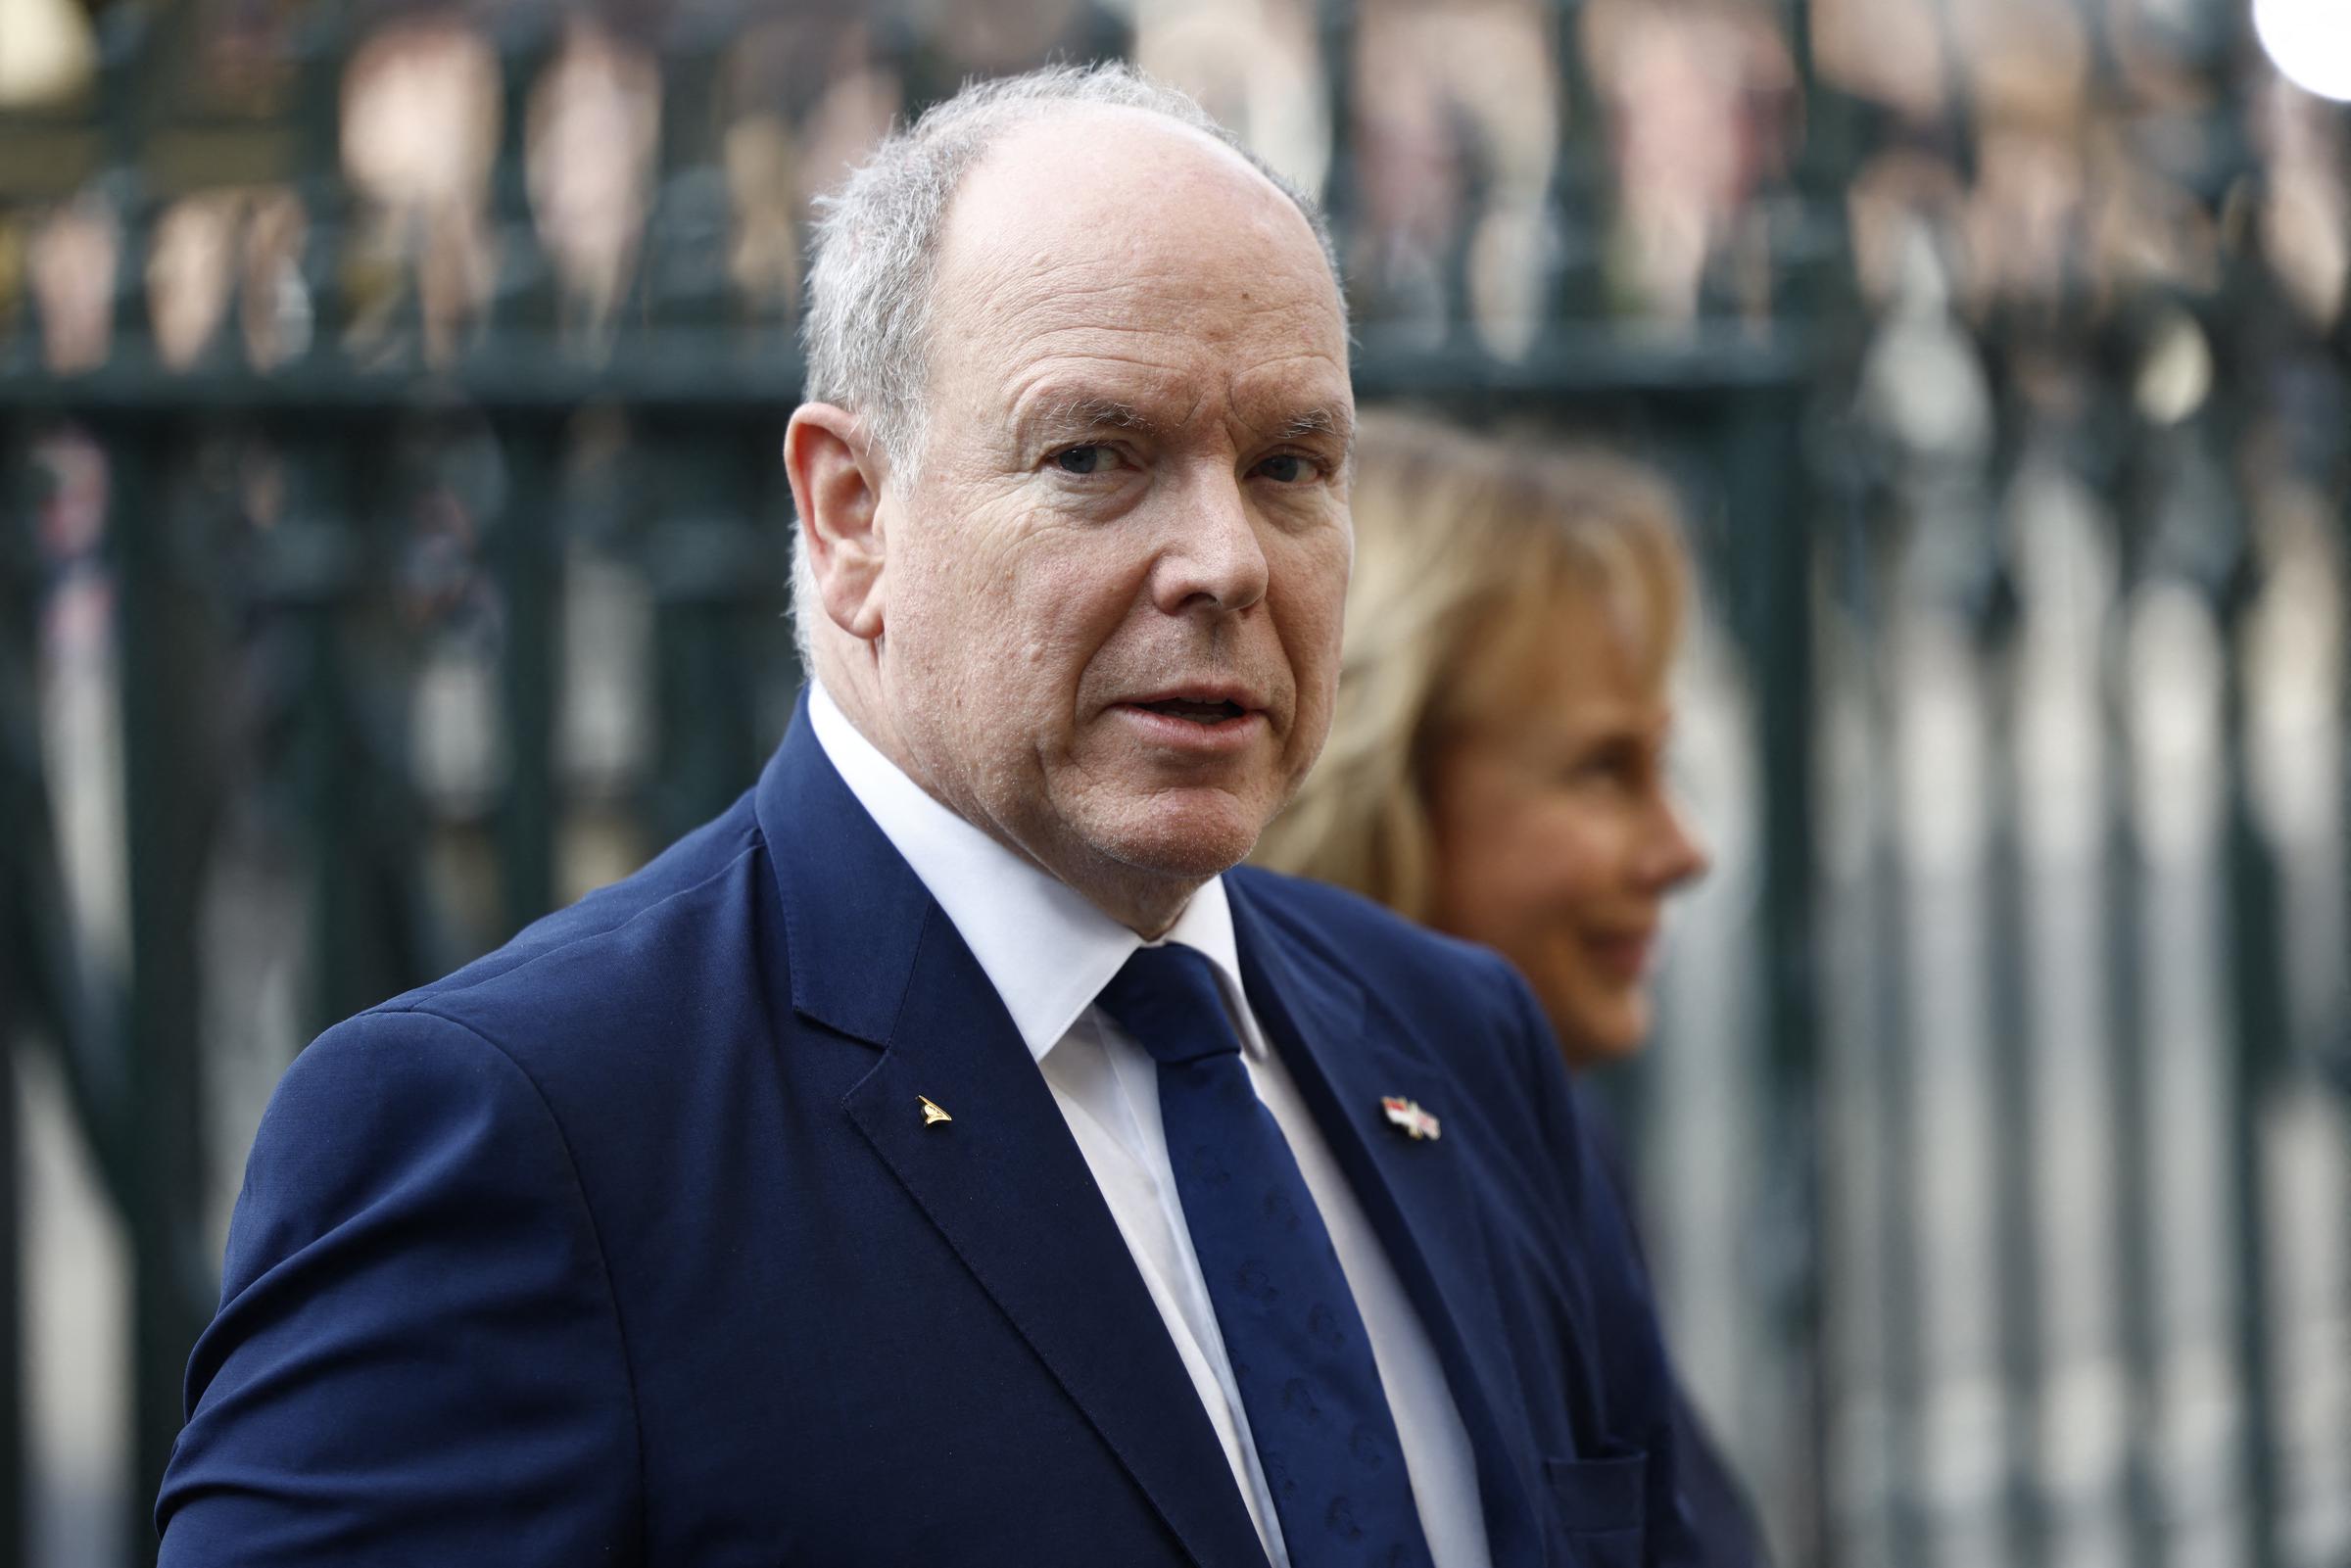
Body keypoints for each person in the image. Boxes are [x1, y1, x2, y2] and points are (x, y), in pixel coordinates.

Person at [158, 66, 1726, 1567]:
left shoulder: (1457, 1041)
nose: (1226, 561)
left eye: (1289, 463)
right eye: (1097, 455)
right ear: (851, 513)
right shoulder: (529, 1133)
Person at [1255, 410, 1765, 1559]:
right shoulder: (1223, 1190)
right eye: (1603, 769)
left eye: (1660, 764)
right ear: (1375, 775)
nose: (1680, 849)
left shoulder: (1537, 1140)